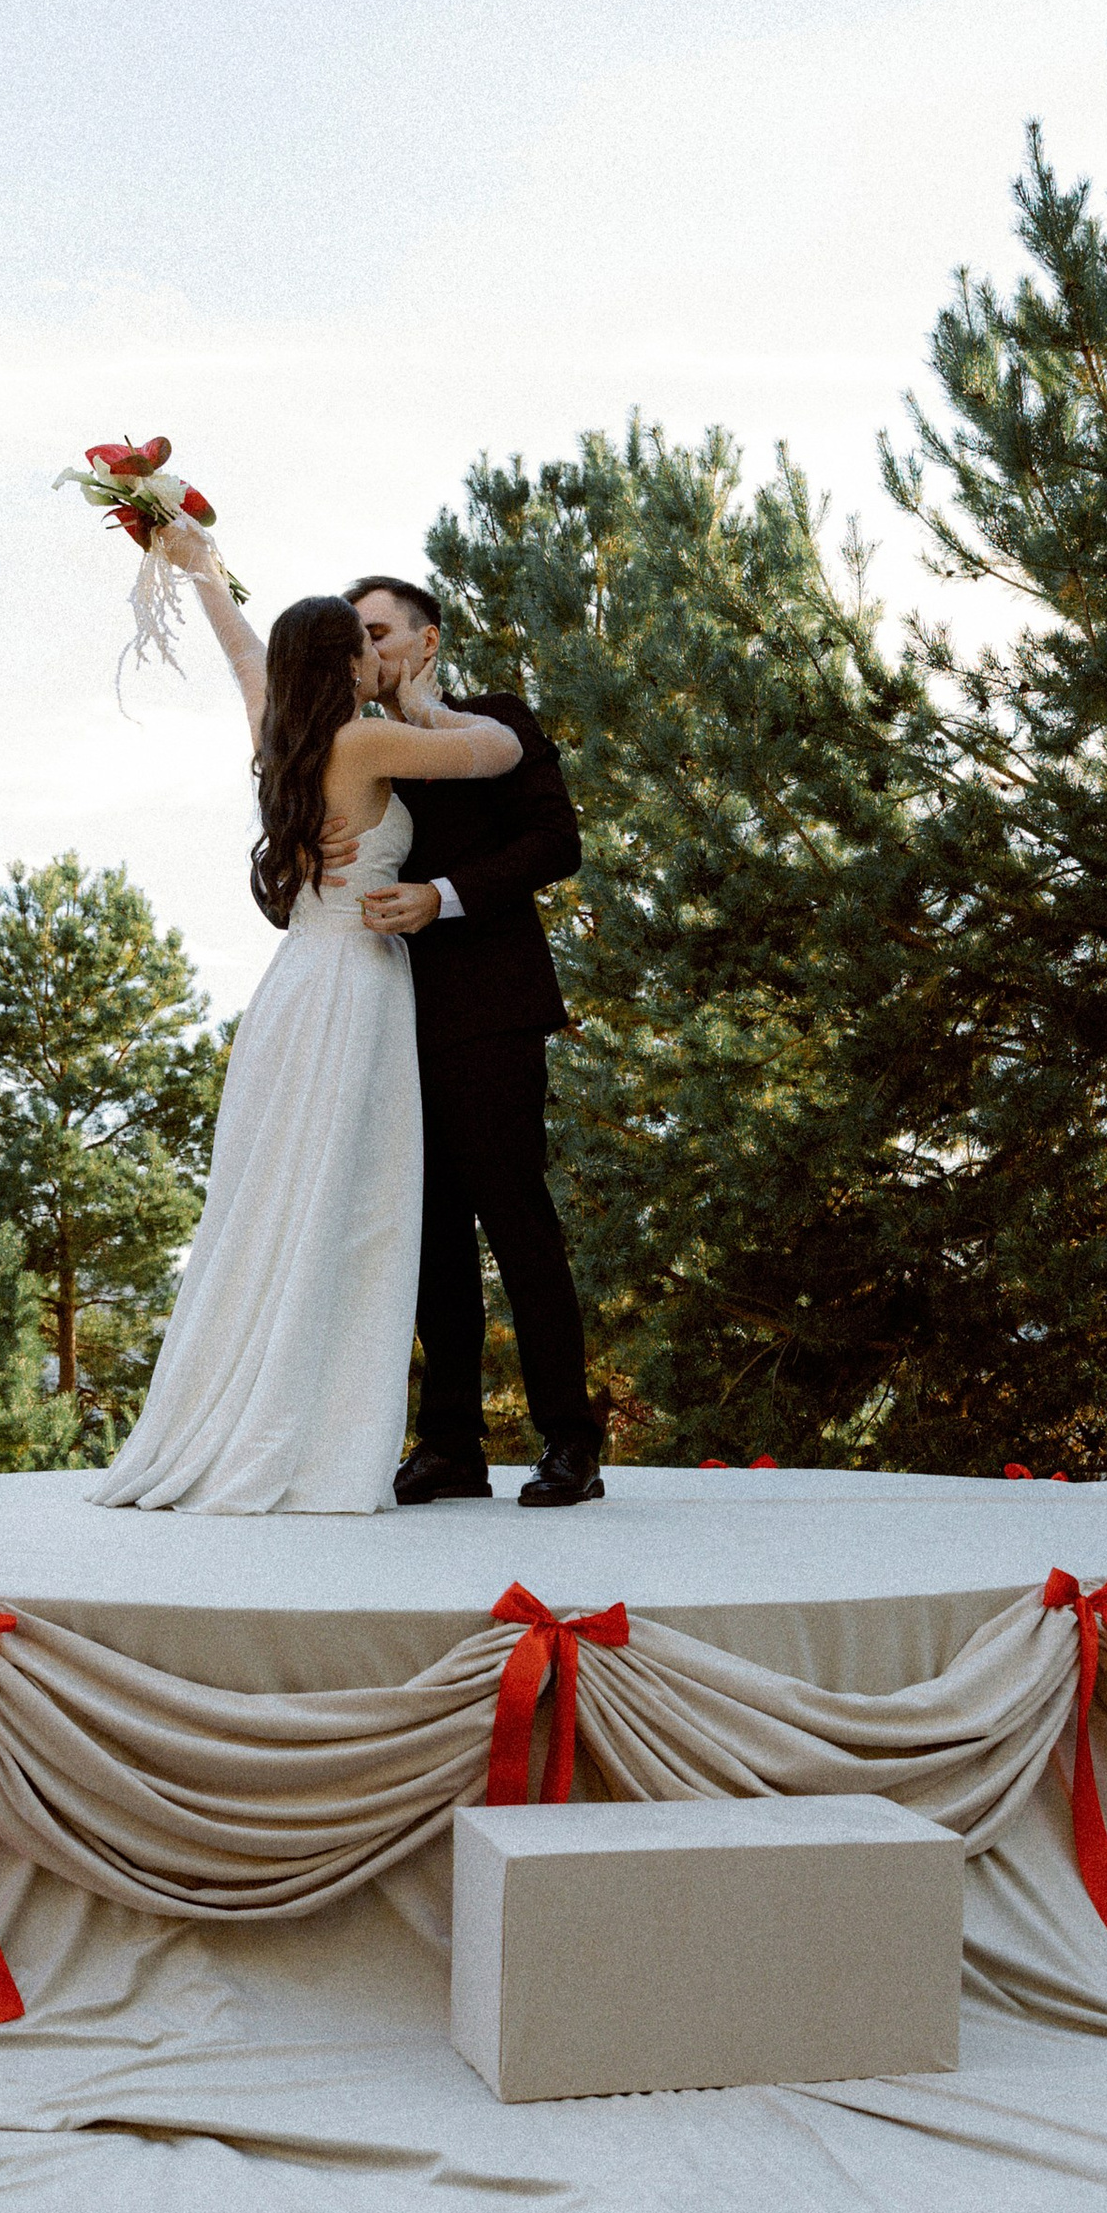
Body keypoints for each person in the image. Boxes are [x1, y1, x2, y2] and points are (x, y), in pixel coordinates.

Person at [92, 532, 519, 1515]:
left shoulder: (277, 731)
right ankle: (316, 1441)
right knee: (353, 1206)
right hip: (355, 988)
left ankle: (252, 1410)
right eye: (365, 646)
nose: (379, 654)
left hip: (294, 988)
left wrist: (199, 567)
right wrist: (423, 700)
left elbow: (244, 652)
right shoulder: (366, 739)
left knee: (272, 1205)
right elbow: (495, 751)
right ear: (345, 662)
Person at [345, 572, 607, 1512]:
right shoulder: (347, 744)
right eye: (353, 635)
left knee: (516, 1220)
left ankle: (571, 1438)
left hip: (490, 1008)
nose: (364, 648)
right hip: (380, 1013)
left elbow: (556, 842)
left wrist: (442, 896)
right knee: (428, 1237)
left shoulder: (495, 720)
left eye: (377, 630)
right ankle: (450, 1441)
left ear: (426, 640)